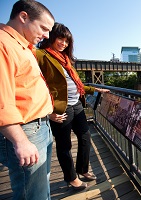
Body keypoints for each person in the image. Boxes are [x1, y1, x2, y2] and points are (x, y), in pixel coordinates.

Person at [36, 22, 110, 190]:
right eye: (60, 39)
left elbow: (75, 84)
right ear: (51, 37)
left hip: (76, 104)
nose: (63, 43)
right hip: (61, 109)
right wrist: (48, 112)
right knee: (64, 146)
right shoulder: (40, 55)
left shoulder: (66, 59)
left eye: (67, 41)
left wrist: (94, 89)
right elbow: (35, 87)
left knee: (85, 137)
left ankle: (82, 169)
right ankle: (71, 178)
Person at [0, 0, 55, 199]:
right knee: (32, 193)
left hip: (40, 127)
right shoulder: (3, 44)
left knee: (41, 186)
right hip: (25, 131)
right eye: (43, 28)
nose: (47, 35)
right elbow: (1, 102)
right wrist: (20, 141)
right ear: (23, 17)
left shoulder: (22, 45)